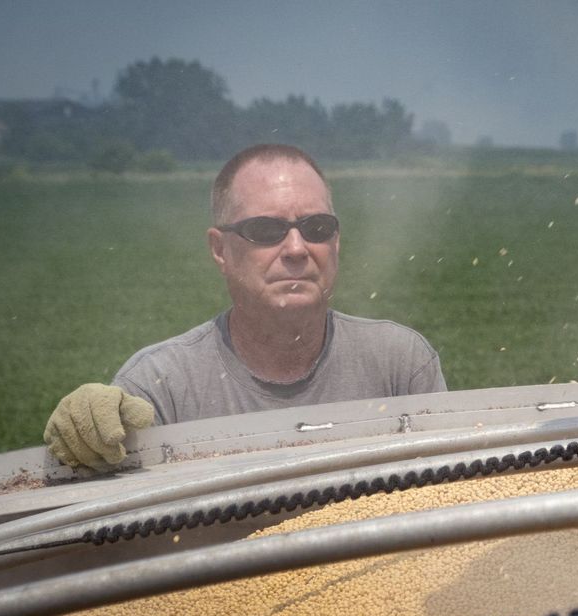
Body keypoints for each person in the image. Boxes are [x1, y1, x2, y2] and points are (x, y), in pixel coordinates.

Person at [43, 144, 446, 468]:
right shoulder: (159, 388)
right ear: (220, 250)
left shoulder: (401, 364)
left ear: (336, 242)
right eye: (265, 230)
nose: (296, 248)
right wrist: (87, 451)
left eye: (316, 228)